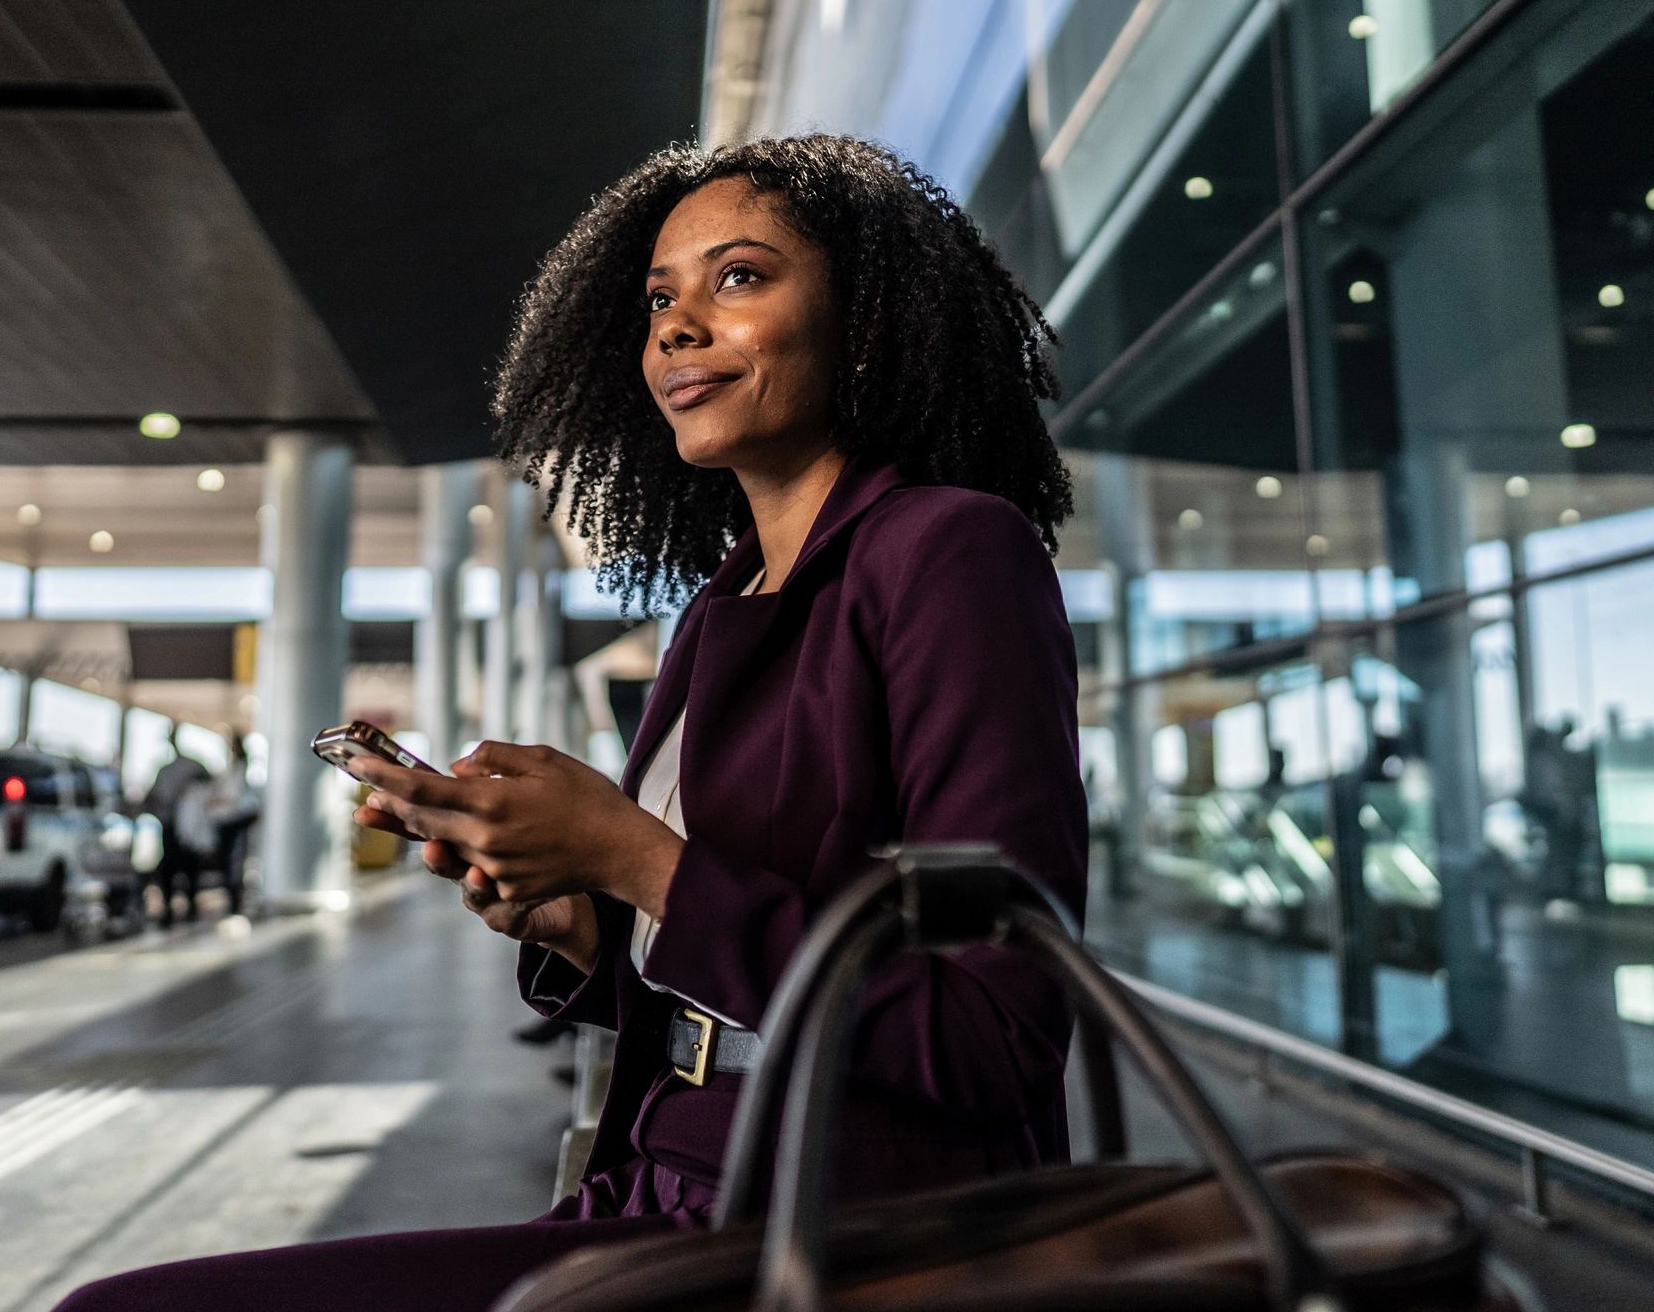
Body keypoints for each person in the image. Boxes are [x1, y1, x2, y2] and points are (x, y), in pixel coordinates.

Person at [59, 134, 1088, 1310]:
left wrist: (634, 855)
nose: (676, 327)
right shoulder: (717, 608)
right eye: (660, 297)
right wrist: (578, 922)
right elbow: (714, 974)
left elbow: (996, 1031)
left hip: (847, 1223)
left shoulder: (948, 551)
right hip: (665, 1184)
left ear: (867, 315)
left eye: (739, 277)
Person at [142, 726, 210, 927]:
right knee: (171, 867)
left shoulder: (188, 767)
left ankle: (187, 905)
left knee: (187, 866)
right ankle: (173, 906)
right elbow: (153, 796)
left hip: (185, 827)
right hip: (170, 825)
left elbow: (206, 783)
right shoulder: (167, 769)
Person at [208, 732, 260, 917]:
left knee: (234, 863)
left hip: (234, 821)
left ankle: (235, 903)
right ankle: (233, 901)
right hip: (228, 821)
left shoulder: (240, 770)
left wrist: (218, 801)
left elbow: (234, 798)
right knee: (231, 863)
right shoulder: (234, 770)